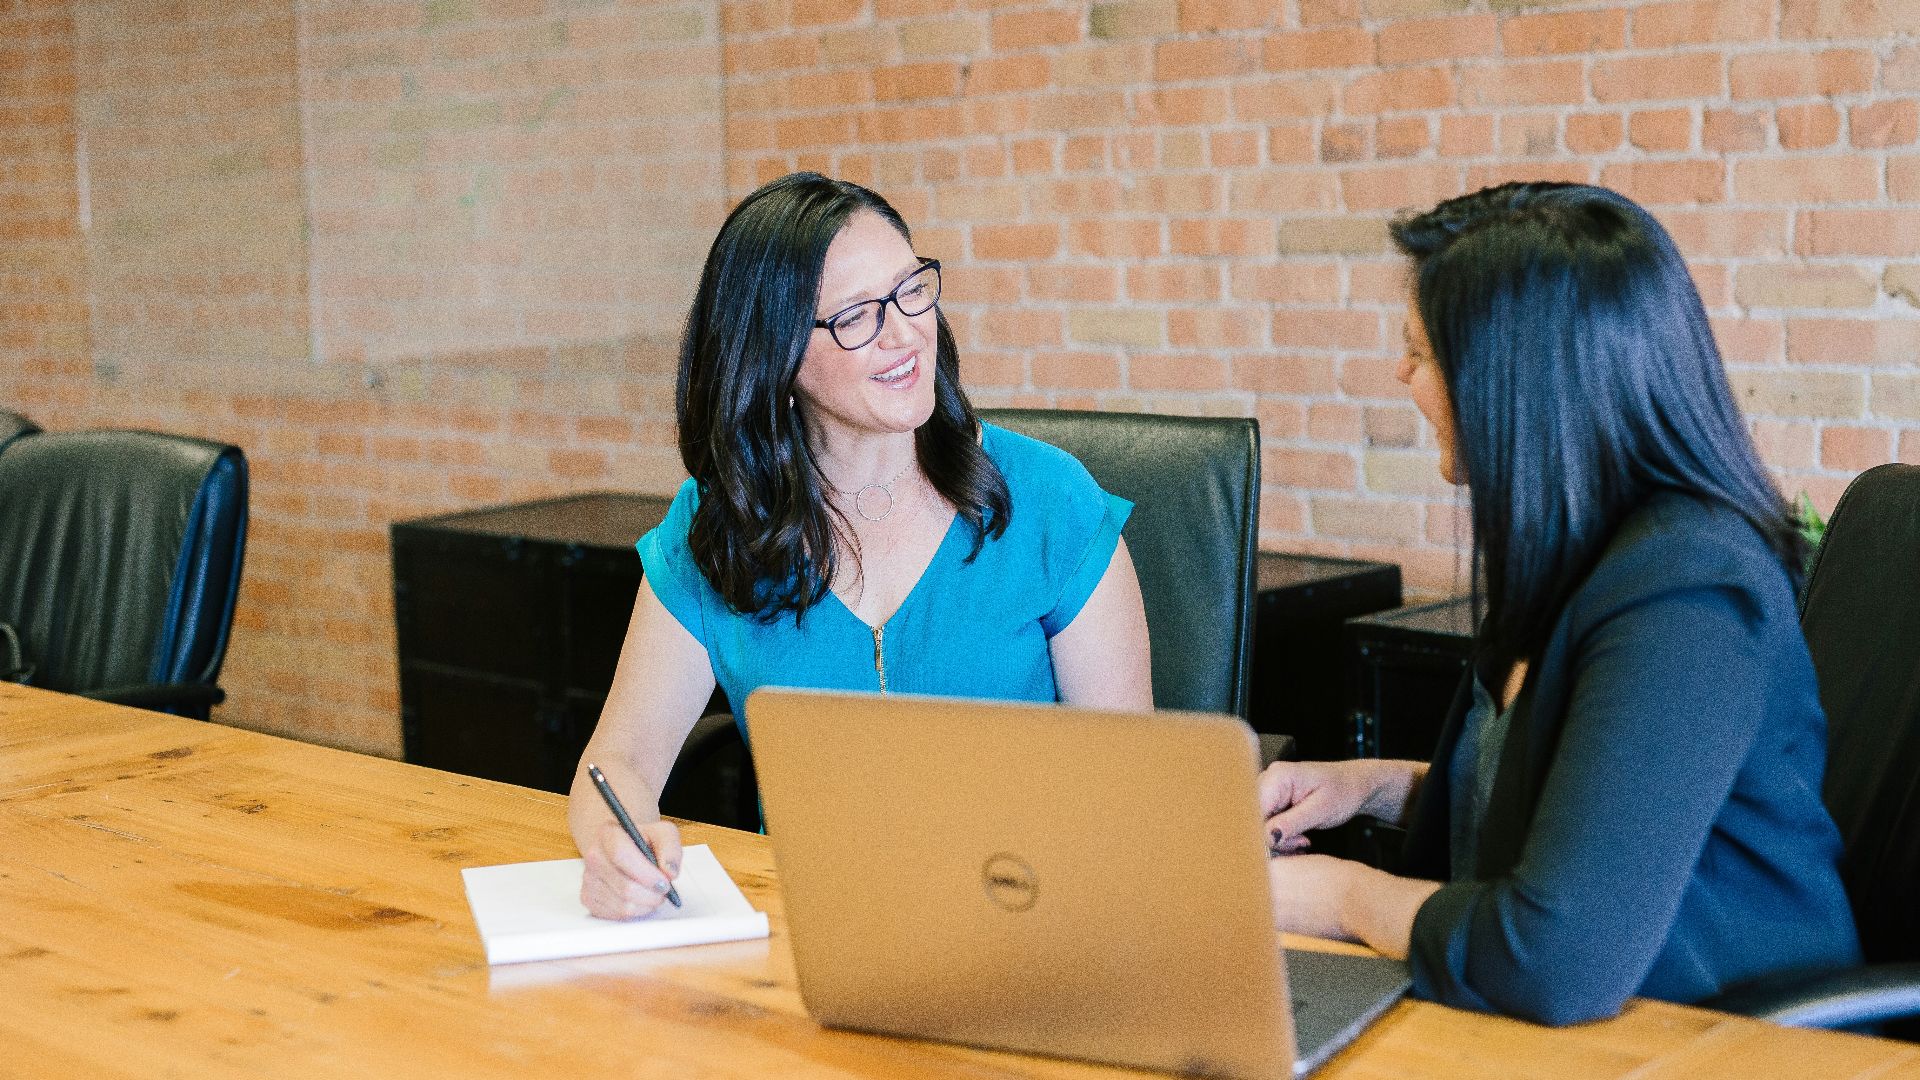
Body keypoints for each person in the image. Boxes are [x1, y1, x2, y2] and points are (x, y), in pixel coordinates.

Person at [1259, 183, 1861, 1025]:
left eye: (1421, 354)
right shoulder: (1577, 551)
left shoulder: (1689, 594)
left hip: (1723, 1036)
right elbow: (1570, 799)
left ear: (1513, 385)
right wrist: (1370, 786)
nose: (1401, 376)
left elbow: (1553, 958)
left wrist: (1342, 897)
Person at [569, 173, 1153, 920]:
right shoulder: (717, 531)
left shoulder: (1050, 502)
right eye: (856, 317)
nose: (905, 331)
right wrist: (613, 850)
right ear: (774, 356)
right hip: (813, 933)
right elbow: (614, 762)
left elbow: (1132, 788)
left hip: (1032, 920)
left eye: (912, 290)